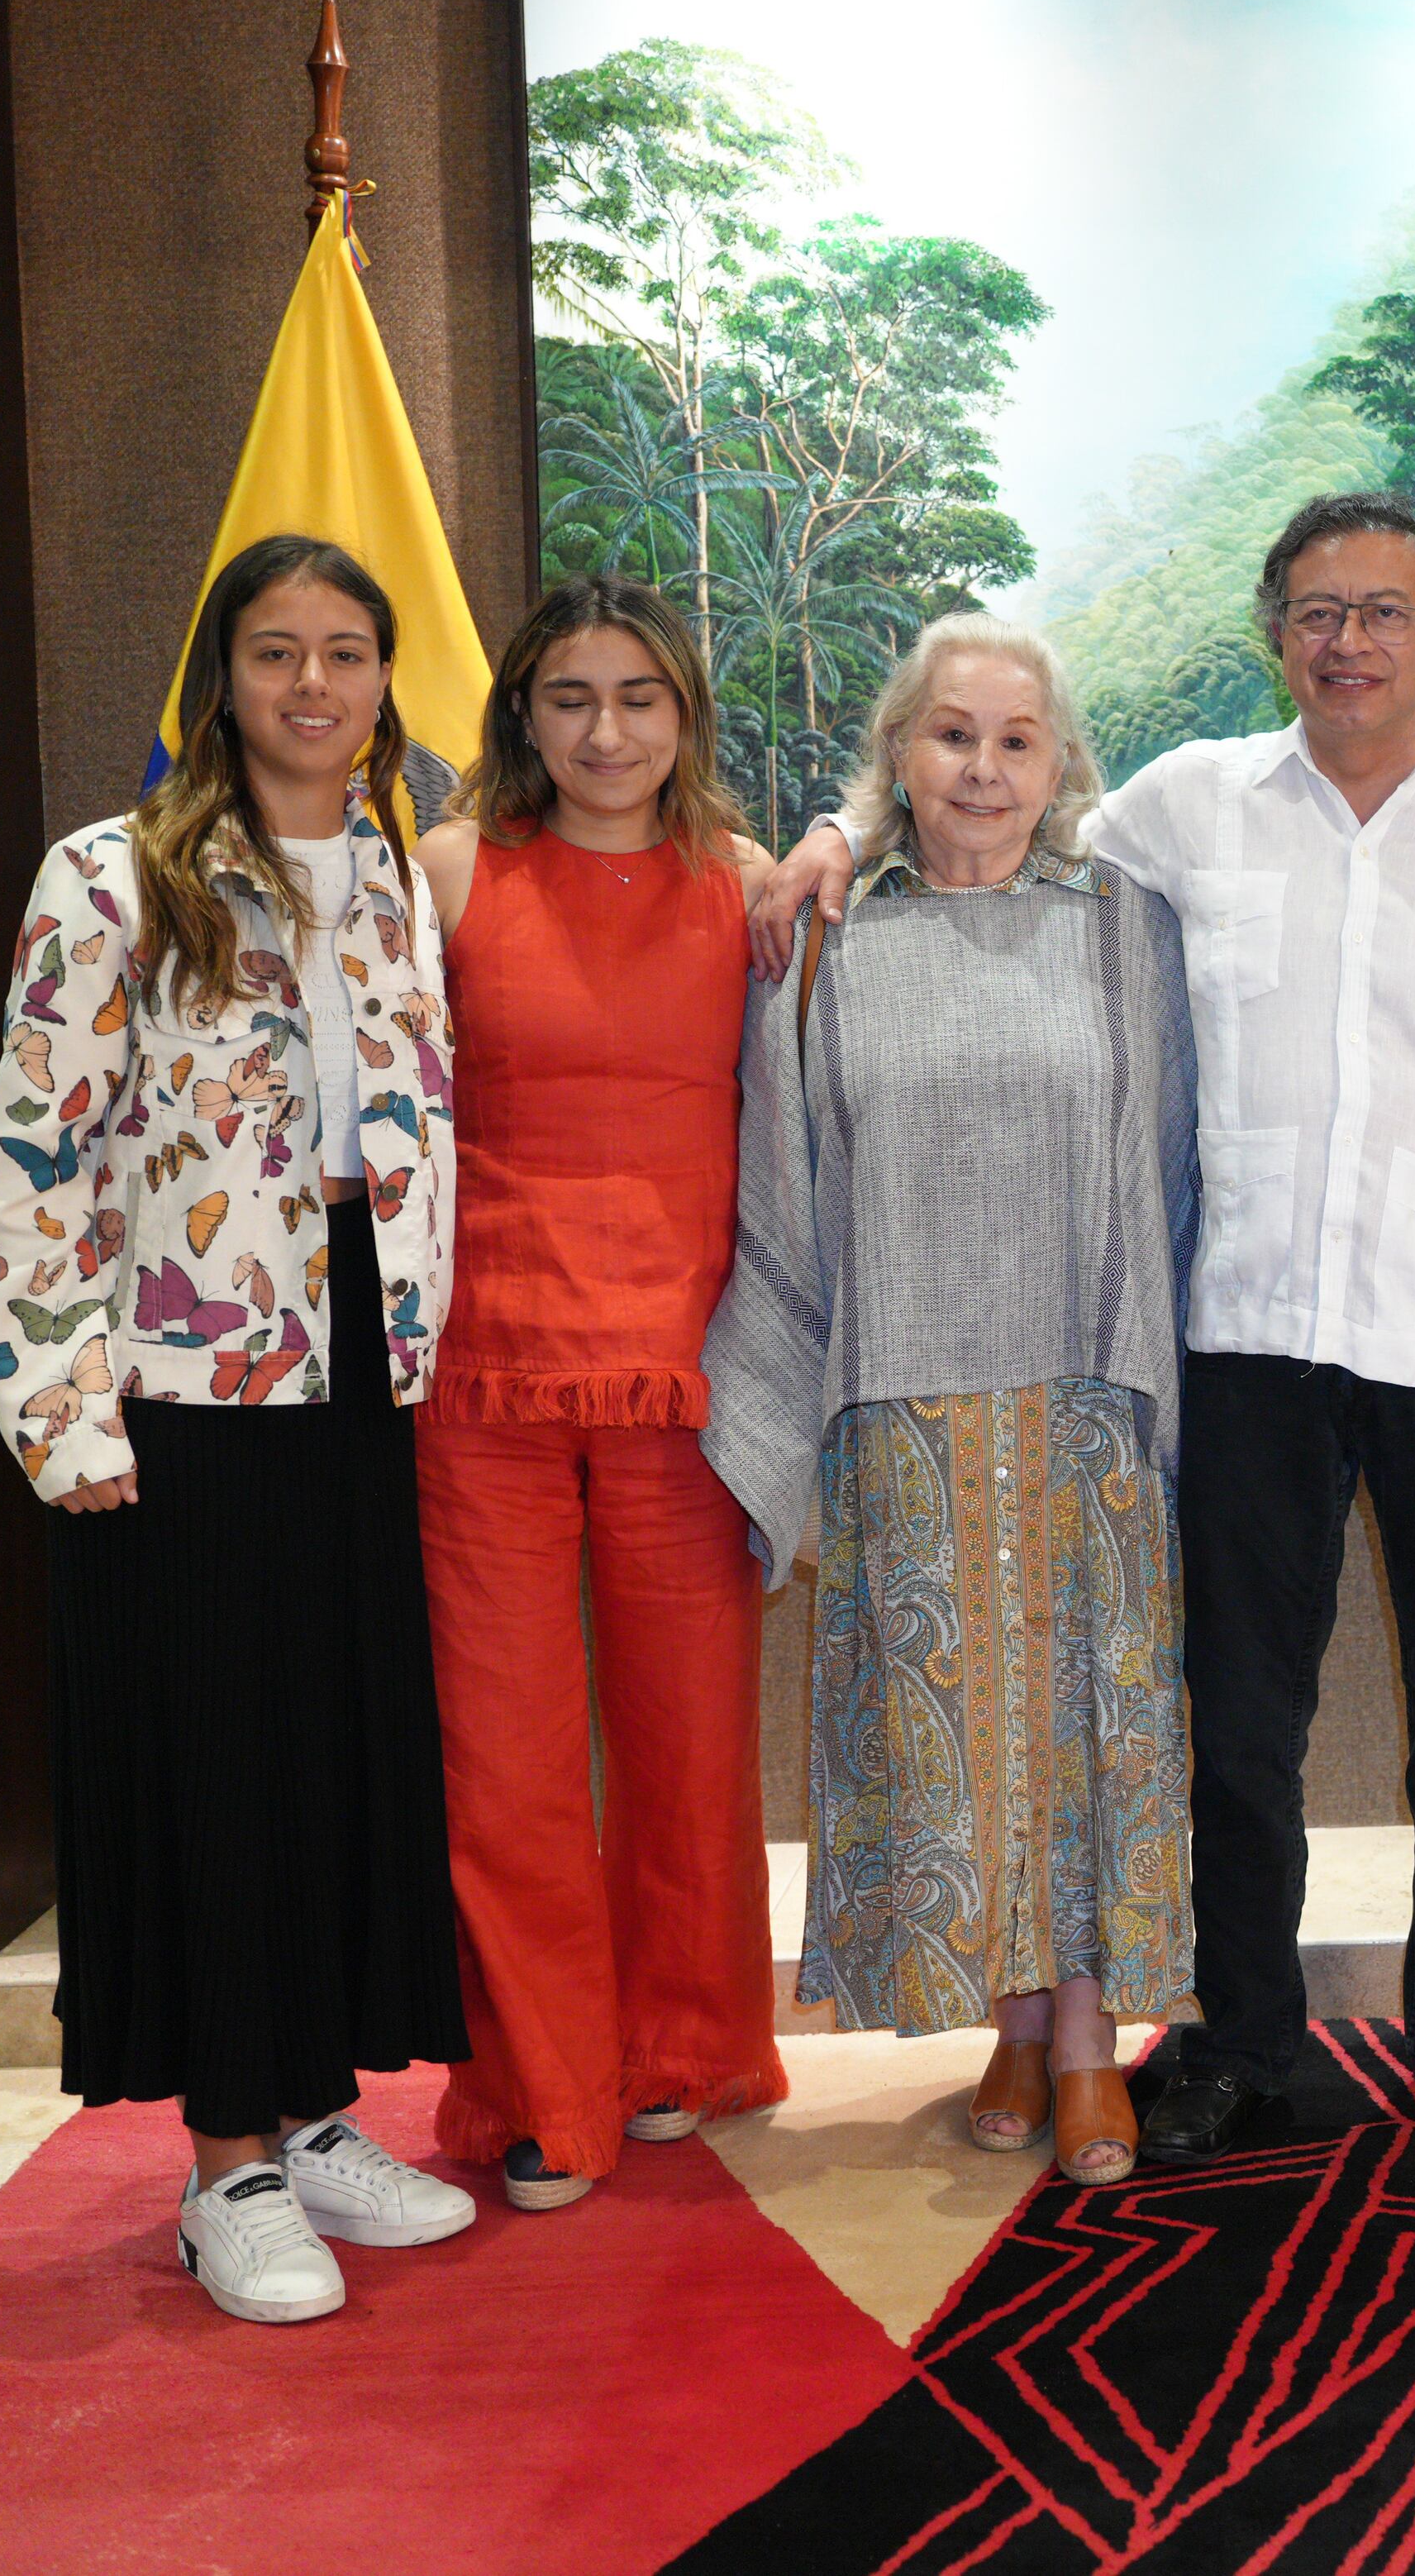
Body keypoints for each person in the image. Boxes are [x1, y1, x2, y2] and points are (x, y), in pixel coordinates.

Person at [750, 495, 1415, 2161]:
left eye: (1381, 609)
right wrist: (821, 835)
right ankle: (1236, 2036)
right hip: (1245, 1339)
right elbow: (980, 815)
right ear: (1272, 628)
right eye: (1315, 609)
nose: (1348, 641)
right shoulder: (1186, 811)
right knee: (1235, 1719)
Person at [0, 533, 474, 2324]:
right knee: (214, 1768)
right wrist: (63, 1413)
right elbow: (27, 1163)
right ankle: (227, 2163)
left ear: (387, 681)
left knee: (337, 1750)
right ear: (221, 675)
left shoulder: (401, 876)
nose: (313, 685)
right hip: (184, 1390)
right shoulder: (112, 878)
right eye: (276, 652)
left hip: (358, 1368)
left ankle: (325, 2112)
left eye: (346, 651)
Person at [702, 612, 1198, 2189]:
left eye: (1016, 740)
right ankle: (1013, 2017)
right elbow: (782, 1185)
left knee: (1084, 1731)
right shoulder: (828, 936)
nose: (982, 769)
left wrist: (1145, 1388)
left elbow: (1164, 1169)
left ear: (1060, 768)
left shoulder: (1121, 922)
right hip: (899, 1396)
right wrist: (787, 1425)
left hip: (1085, 1384)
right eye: (952, 735)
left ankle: (1087, 2043)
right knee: (959, 1744)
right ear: (899, 754)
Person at [412, 575, 787, 2212]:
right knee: (505, 1761)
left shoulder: (751, 887)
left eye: (639, 696)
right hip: (479, 1370)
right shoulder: (445, 870)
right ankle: (539, 2085)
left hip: (685, 1381)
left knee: (689, 1746)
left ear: (683, 715)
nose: (607, 729)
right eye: (571, 697)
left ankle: (686, 2046)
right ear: (522, 717)